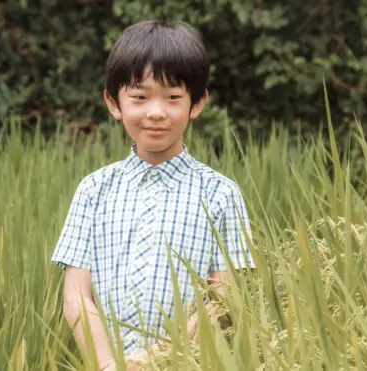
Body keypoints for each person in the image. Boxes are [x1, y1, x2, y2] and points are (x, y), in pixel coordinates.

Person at [51, 19, 255, 370]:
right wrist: (108, 365)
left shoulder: (220, 194)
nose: (156, 112)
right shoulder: (94, 190)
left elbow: (225, 298)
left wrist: (154, 361)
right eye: (140, 97)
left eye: (173, 97)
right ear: (114, 103)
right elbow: (76, 296)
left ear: (197, 103)